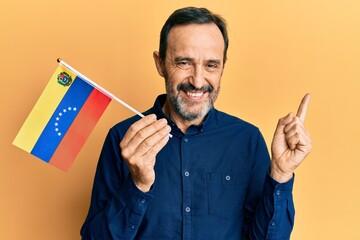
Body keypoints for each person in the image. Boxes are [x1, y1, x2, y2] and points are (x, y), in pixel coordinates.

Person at [80, 6, 312, 240]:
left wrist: (281, 174)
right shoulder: (123, 138)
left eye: (211, 65)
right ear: (160, 64)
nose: (198, 81)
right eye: (184, 62)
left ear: (222, 66)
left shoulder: (247, 141)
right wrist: (138, 185)